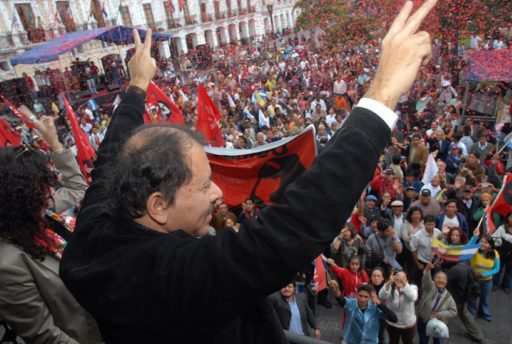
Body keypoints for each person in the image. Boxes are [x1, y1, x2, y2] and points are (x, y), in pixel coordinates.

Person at [60, 3, 439, 341]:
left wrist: (137, 87)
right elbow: (288, 230)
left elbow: (109, 159)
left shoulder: (95, 230)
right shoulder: (174, 276)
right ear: (158, 205)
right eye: (205, 184)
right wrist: (383, 94)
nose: (218, 194)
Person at [0, 113, 101, 343]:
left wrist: (53, 142)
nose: (52, 192)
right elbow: (44, 335)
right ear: (18, 198)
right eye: (42, 187)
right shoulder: (7, 265)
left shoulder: (37, 212)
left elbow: (77, 187)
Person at [330, 282, 398, 344]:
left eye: (366, 297)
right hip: (350, 340)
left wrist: (380, 304)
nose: (362, 299)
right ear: (356, 295)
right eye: (360, 296)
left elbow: (394, 319)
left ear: (370, 298)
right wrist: (337, 289)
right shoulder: (351, 303)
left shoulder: (375, 308)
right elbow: (341, 299)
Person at [416, 265, 457, 344]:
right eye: (438, 278)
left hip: (438, 324)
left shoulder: (448, 297)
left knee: (438, 342)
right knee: (423, 340)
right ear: (433, 280)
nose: (441, 280)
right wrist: (427, 270)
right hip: (424, 320)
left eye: (443, 279)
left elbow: (453, 311)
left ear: (447, 282)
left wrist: (441, 314)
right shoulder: (429, 287)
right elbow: (426, 280)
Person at [379, 271, 418, 344]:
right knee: (393, 342)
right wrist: (388, 283)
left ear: (407, 280)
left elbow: (413, 297)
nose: (400, 279)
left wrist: (404, 284)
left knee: (408, 342)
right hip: (392, 324)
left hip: (408, 325)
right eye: (397, 277)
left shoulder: (412, 287)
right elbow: (381, 295)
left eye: (403, 278)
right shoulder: (390, 288)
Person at [468, 235, 500, 321]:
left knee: (485, 298)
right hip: (474, 279)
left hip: (487, 281)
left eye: (485, 242)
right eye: (481, 241)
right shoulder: (474, 250)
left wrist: (484, 275)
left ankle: (484, 313)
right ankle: (472, 313)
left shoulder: (495, 253)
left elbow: (497, 269)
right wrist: (474, 237)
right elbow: (467, 248)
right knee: (472, 298)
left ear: (490, 245)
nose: (482, 244)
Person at [410, 215, 441, 288]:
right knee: (419, 282)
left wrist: (438, 261)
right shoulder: (417, 236)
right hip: (421, 261)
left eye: (432, 224)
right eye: (428, 224)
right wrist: (418, 264)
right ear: (424, 224)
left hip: (433, 262)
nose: (430, 227)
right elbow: (413, 250)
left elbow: (441, 245)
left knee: (432, 282)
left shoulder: (438, 233)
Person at [492, 212, 512, 294]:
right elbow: (494, 238)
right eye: (511, 217)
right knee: (498, 269)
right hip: (502, 253)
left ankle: (506, 286)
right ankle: (495, 284)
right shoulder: (503, 227)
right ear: (508, 218)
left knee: (510, 271)